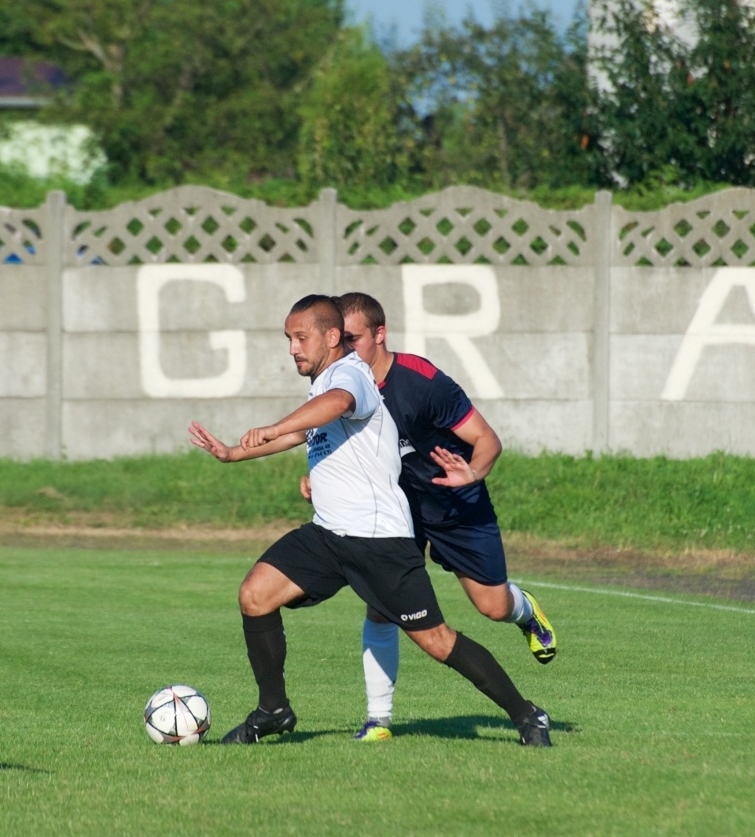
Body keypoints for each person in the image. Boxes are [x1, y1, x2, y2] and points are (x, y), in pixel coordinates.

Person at [188, 295, 551, 747]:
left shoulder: (349, 376)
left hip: (378, 541)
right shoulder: (323, 383)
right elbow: (310, 428)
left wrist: (275, 426)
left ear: (332, 337)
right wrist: (232, 453)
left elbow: (338, 404)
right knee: (255, 595)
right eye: (288, 339)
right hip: (328, 534)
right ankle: (273, 711)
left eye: (300, 338)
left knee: (437, 641)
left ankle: (527, 714)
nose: (292, 348)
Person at [329, 291, 559, 742]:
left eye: (353, 339)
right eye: (339, 341)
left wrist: (472, 473)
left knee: (492, 607)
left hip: (455, 501)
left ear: (380, 334)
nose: (344, 350)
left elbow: (487, 438)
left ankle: (525, 609)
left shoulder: (422, 382)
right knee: (381, 607)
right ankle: (379, 721)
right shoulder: (340, 383)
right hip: (396, 510)